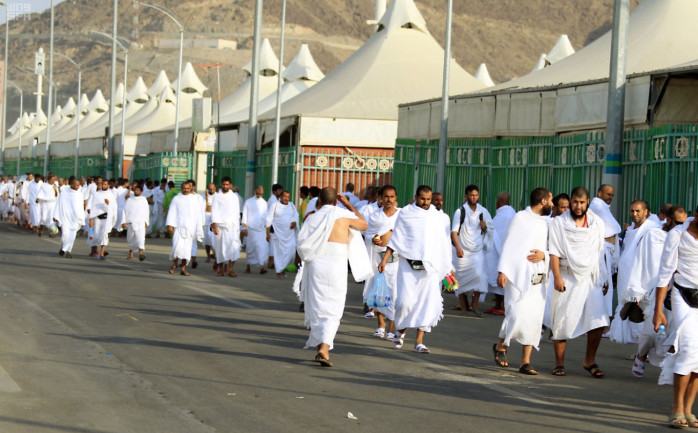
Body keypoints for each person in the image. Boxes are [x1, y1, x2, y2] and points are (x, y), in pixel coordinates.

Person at [297, 187, 368, 366]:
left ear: (318, 201)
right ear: (336, 201)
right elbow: (364, 224)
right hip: (336, 264)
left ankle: (322, 345)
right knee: (334, 307)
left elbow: (301, 243)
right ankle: (325, 347)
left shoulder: (311, 218)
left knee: (318, 304)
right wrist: (348, 204)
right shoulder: (343, 216)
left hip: (316, 264)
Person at [378, 185, 453, 353]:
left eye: (428, 199)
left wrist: (448, 267)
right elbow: (396, 239)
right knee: (404, 302)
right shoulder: (405, 213)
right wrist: (384, 260)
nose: (426, 203)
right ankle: (400, 330)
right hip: (408, 266)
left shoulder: (436, 217)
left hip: (430, 268)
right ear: (416, 197)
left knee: (427, 304)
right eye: (422, 199)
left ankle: (419, 342)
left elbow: (443, 243)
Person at [548, 186, 609, 378]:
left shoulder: (596, 223)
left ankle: (589, 360)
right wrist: (557, 277)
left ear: (588, 202)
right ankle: (559, 363)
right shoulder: (558, 223)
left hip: (591, 277)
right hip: (567, 275)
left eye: (582, 202)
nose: (578, 206)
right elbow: (554, 252)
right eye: (575, 202)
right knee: (562, 321)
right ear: (571, 202)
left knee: (598, 321)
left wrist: (604, 275)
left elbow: (600, 251)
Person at [493, 188, 552, 375]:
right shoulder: (520, 218)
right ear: (543, 201)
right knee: (516, 314)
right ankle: (501, 345)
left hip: (539, 276)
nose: (552, 204)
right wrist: (503, 270)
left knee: (534, 319)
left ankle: (525, 362)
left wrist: (545, 255)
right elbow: (508, 243)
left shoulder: (548, 223)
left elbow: (554, 248)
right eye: (550, 200)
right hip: (517, 274)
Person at [609, 200, 666, 377]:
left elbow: (653, 262)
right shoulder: (633, 231)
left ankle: (646, 357)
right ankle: (642, 355)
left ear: (646, 212)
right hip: (635, 284)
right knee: (646, 327)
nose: (635, 214)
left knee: (656, 328)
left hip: (650, 284)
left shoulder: (653, 232)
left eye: (638, 211)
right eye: (632, 211)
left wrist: (642, 285)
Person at [654, 206, 698, 428]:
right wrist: (658, 310)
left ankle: (689, 410)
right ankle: (676, 408)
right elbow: (665, 272)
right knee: (688, 348)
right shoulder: (678, 234)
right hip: (683, 295)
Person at [363, 185, 400, 340]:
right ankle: (380, 325)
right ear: (381, 199)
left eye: (391, 197)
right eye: (386, 197)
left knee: (394, 293)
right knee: (379, 292)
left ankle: (391, 327)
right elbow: (369, 233)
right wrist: (373, 239)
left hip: (396, 260)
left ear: (395, 198)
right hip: (377, 258)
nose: (388, 200)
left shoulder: (401, 215)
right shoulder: (375, 216)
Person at [451, 185, 493, 316]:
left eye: (476, 195)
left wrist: (485, 227)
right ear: (466, 196)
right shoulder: (460, 211)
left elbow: (491, 228)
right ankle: (464, 306)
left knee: (480, 276)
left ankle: (475, 305)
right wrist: (457, 247)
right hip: (463, 250)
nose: (474, 197)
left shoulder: (483, 211)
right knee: (460, 278)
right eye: (471, 195)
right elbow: (454, 231)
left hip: (477, 251)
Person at [589, 184, 621, 320]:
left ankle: (603, 319)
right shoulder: (596, 207)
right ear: (599, 193)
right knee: (603, 285)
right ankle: (602, 320)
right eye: (608, 194)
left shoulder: (603, 208)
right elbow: (612, 228)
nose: (611, 197)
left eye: (612, 195)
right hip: (602, 251)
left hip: (608, 251)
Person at [484, 191, 516, 315]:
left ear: (500, 202)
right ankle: (497, 304)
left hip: (501, 252)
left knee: (501, 279)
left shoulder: (506, 215)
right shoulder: (510, 213)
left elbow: (496, 233)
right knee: (497, 279)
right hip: (499, 251)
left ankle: (501, 305)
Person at [166, 181, 204, 276]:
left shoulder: (195, 200)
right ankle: (175, 265)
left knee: (186, 251)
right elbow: (172, 212)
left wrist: (200, 226)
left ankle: (183, 268)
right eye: (184, 188)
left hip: (190, 229)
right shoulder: (176, 199)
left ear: (191, 188)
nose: (186, 190)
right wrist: (170, 225)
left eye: (187, 188)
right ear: (181, 188)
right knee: (177, 248)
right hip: (179, 228)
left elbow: (199, 214)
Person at [211, 177, 242, 277]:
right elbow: (214, 211)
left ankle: (230, 269)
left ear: (230, 185)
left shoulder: (234, 197)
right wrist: (214, 225)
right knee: (219, 249)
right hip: (220, 226)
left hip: (232, 227)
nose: (225, 186)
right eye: (223, 184)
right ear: (221, 184)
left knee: (233, 248)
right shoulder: (217, 196)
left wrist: (238, 227)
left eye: (227, 184)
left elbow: (236, 212)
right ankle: (220, 270)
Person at [266, 190, 299, 278]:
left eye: (288, 197)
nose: (286, 199)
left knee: (292, 251)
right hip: (278, 234)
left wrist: (295, 222)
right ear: (280, 197)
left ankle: (282, 268)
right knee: (279, 253)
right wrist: (268, 234)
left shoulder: (292, 205)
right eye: (284, 196)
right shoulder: (275, 205)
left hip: (290, 234)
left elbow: (296, 216)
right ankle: (279, 271)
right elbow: (269, 219)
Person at [53, 177, 85, 258]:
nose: (78, 187)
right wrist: (55, 215)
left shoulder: (79, 194)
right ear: (71, 185)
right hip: (65, 218)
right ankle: (64, 247)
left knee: (72, 236)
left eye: (79, 185)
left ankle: (68, 251)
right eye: (77, 185)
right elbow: (59, 204)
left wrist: (81, 217)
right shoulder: (64, 193)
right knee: (65, 235)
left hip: (75, 219)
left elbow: (81, 207)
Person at [87, 179, 117, 260]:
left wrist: (108, 204)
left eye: (105, 184)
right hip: (97, 219)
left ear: (108, 185)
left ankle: (102, 253)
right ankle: (96, 249)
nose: (103, 186)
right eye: (102, 184)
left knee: (104, 235)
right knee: (96, 235)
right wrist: (91, 219)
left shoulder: (111, 195)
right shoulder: (96, 194)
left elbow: (114, 208)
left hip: (106, 218)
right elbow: (93, 207)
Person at [241, 185, 269, 274]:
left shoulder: (264, 203)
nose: (259, 195)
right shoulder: (248, 202)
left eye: (261, 194)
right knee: (250, 248)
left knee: (261, 248)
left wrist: (267, 229)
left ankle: (262, 267)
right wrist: (244, 228)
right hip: (250, 229)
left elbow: (266, 216)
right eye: (257, 193)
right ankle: (248, 266)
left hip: (260, 230)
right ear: (254, 192)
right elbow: (244, 215)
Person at [122, 184, 150, 261]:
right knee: (130, 238)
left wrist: (146, 222)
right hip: (131, 222)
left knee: (141, 238)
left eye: (138, 190)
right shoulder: (129, 200)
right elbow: (124, 211)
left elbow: (146, 211)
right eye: (135, 190)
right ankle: (131, 253)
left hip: (141, 222)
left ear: (141, 192)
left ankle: (141, 254)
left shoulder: (143, 200)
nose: (136, 191)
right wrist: (123, 221)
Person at [267, 183, 284, 269]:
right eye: (279, 190)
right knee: (272, 245)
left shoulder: (276, 200)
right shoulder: (272, 201)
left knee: (274, 245)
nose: (281, 192)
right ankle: (271, 262)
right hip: (273, 225)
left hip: (275, 225)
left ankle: (272, 262)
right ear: (275, 191)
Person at [203, 182, 217, 262]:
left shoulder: (217, 196)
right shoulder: (203, 196)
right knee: (206, 240)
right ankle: (208, 256)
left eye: (213, 189)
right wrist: (207, 198)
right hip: (206, 218)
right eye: (210, 189)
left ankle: (215, 255)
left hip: (213, 219)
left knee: (213, 239)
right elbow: (204, 208)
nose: (211, 190)